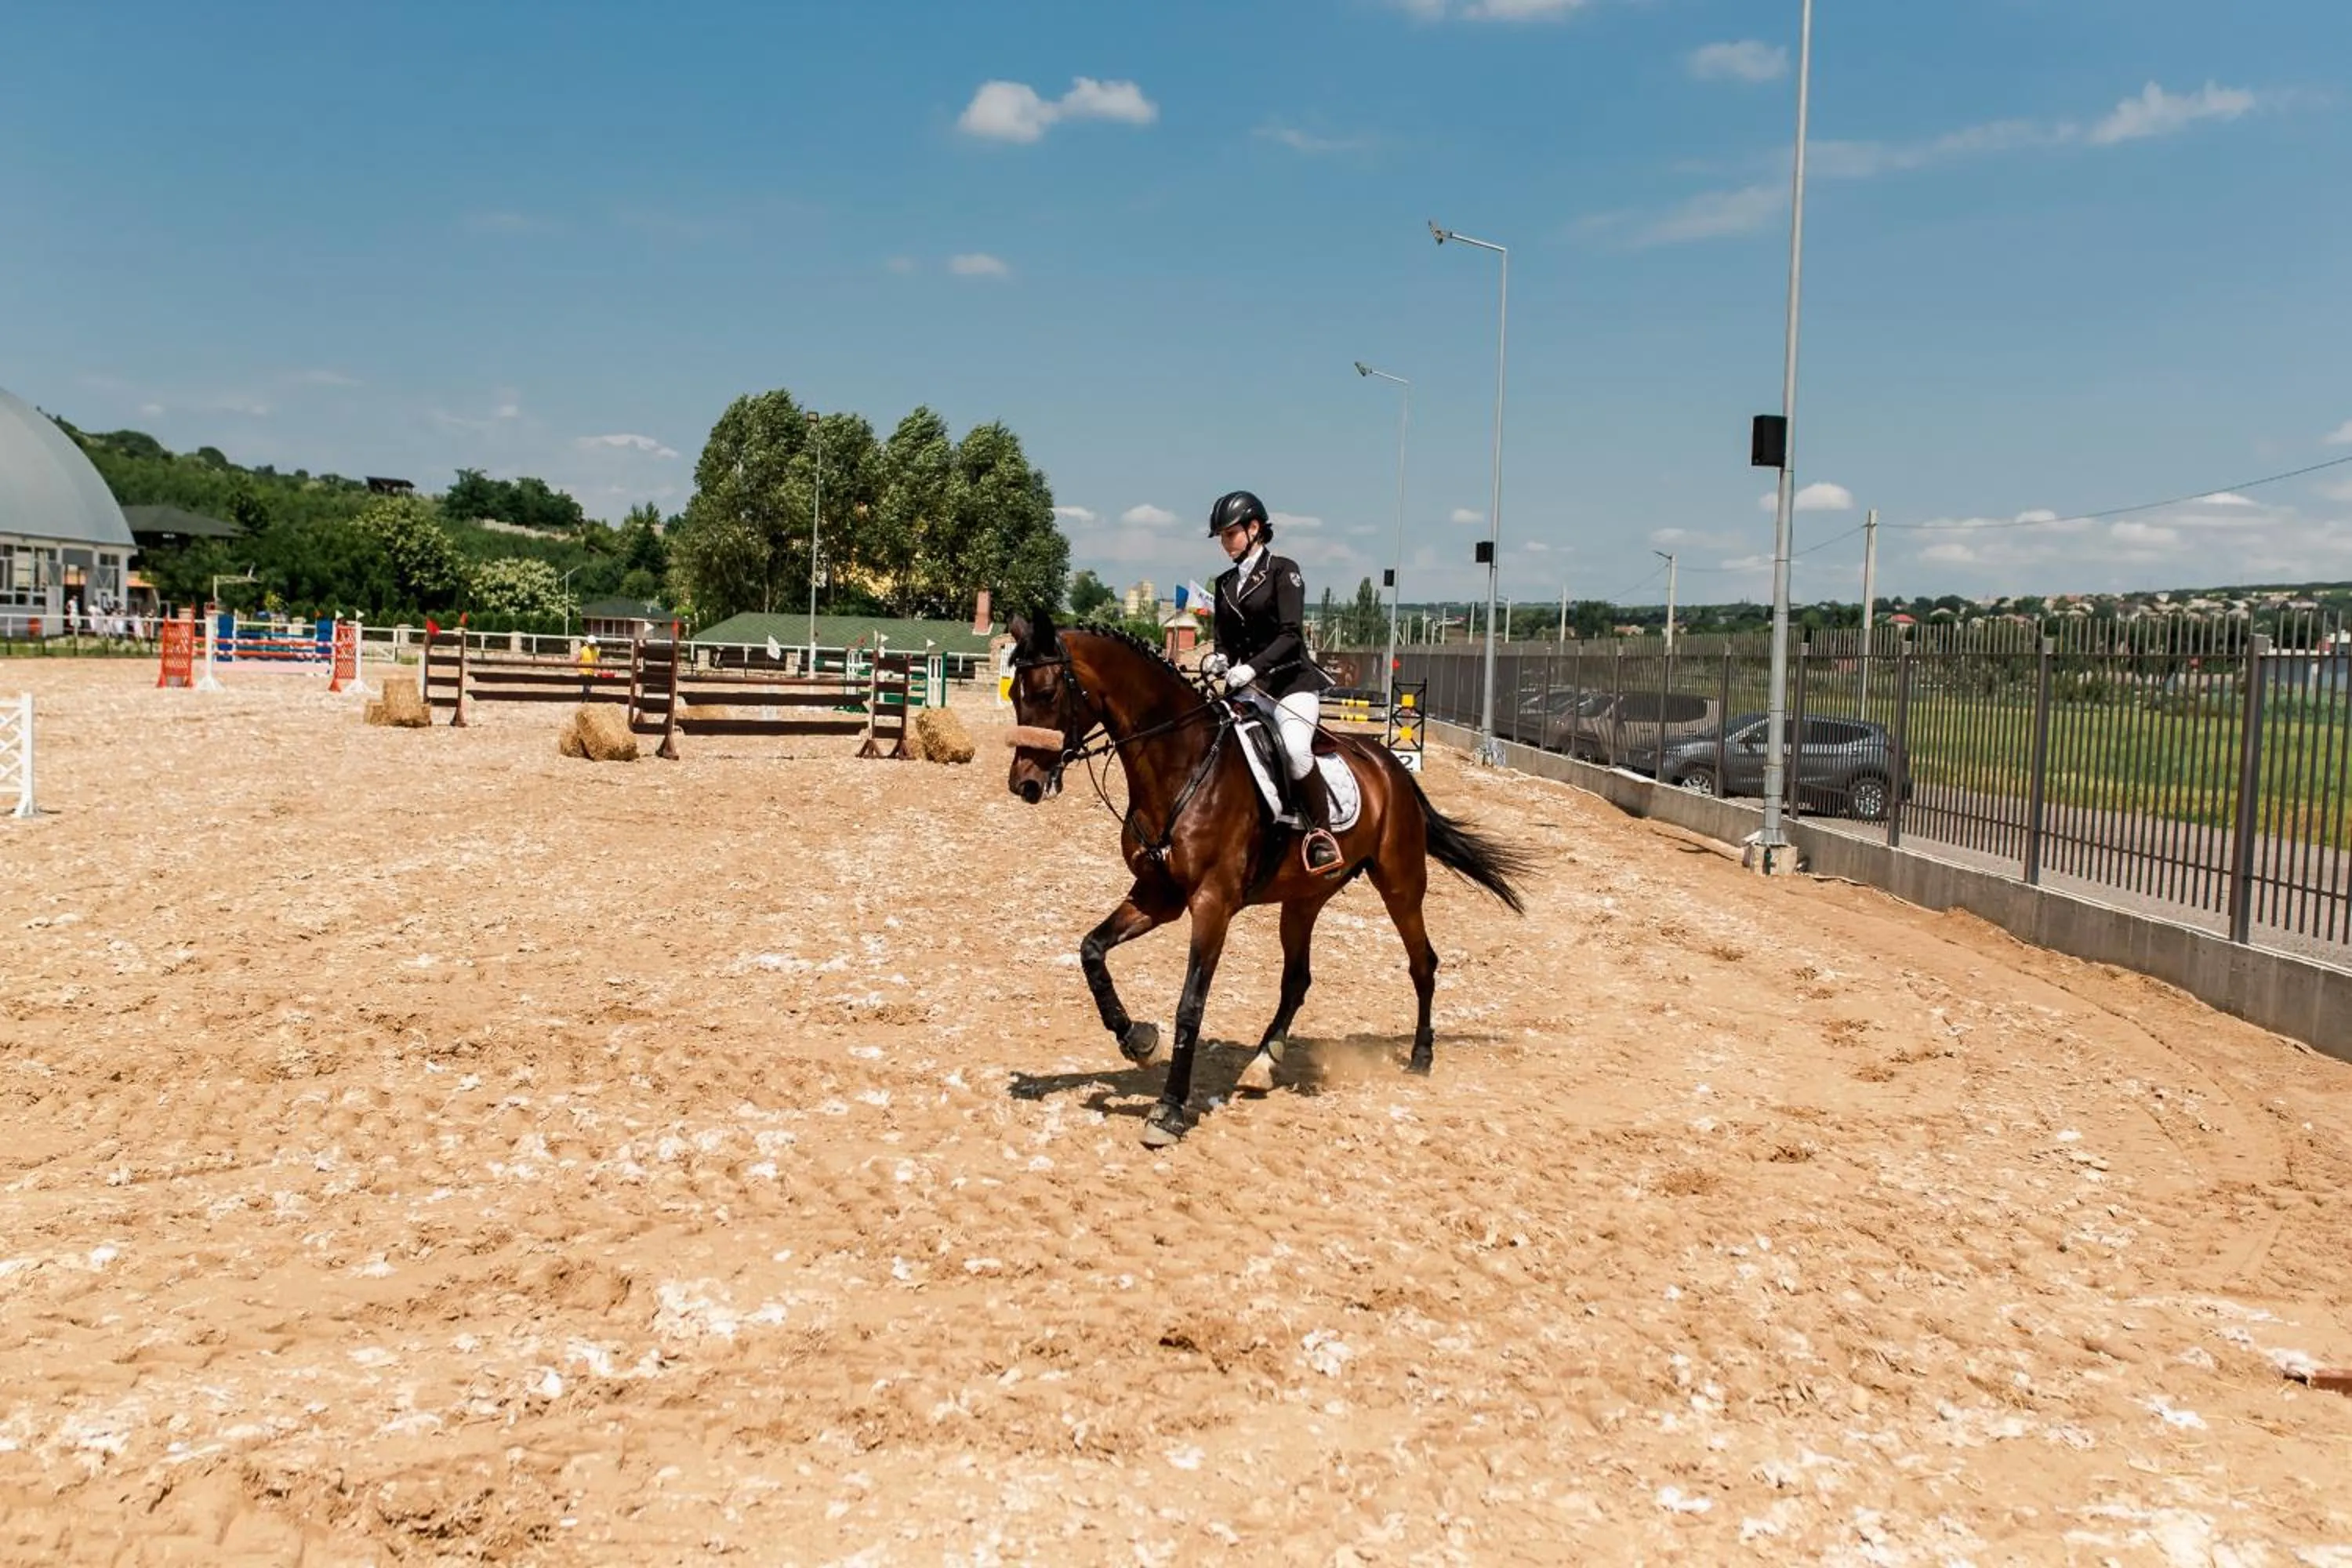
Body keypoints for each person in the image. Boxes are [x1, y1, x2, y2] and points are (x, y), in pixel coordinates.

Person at [1199, 489, 1341, 873]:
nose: (1225, 543)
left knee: (1295, 750)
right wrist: (1220, 659)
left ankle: (1321, 834)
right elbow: (1225, 641)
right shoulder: (1224, 583)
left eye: (1230, 534)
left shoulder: (1283, 570)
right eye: (1222, 536)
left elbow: (1291, 635)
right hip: (1248, 690)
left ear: (1254, 528)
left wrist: (1252, 668)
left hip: (1290, 686)